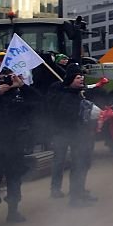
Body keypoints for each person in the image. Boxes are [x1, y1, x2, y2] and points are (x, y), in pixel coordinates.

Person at [0, 71, 38, 226]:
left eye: (10, 77)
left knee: (14, 181)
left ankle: (13, 211)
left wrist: (23, 86)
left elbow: (39, 103)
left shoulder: (20, 97)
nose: (7, 80)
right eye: (3, 78)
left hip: (15, 147)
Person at [47, 66, 99, 206]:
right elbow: (67, 115)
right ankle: (69, 195)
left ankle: (79, 191)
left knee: (81, 163)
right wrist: (84, 112)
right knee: (62, 161)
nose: (81, 78)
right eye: (77, 77)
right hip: (64, 134)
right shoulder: (63, 96)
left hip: (79, 135)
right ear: (70, 80)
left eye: (82, 76)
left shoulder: (79, 93)